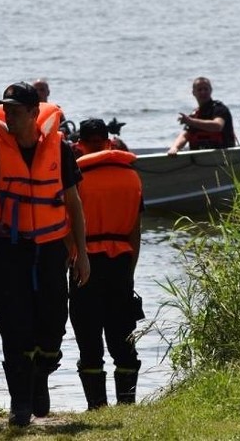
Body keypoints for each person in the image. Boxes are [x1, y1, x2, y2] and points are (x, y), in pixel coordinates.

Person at [0, 81, 91, 427]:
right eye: (6, 110)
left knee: (52, 328)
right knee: (13, 326)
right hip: (8, 249)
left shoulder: (60, 149)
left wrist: (82, 254)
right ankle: (20, 403)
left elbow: (74, 204)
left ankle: (41, 376)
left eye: (16, 111)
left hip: (51, 250)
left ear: (35, 113)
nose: (9, 116)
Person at [69, 118, 143, 410]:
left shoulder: (77, 178)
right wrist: (130, 270)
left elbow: (66, 227)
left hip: (85, 264)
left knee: (89, 341)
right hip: (122, 263)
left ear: (80, 144)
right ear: (109, 142)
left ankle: (96, 406)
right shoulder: (132, 177)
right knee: (123, 339)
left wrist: (71, 260)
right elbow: (135, 231)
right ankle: (127, 404)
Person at [167, 76, 236, 156]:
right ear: (193, 93)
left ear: (211, 90)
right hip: (200, 159)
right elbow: (184, 136)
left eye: (206, 89)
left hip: (223, 156)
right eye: (199, 90)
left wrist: (191, 121)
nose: (203, 92)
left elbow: (217, 126)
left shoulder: (220, 109)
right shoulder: (194, 115)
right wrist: (175, 147)